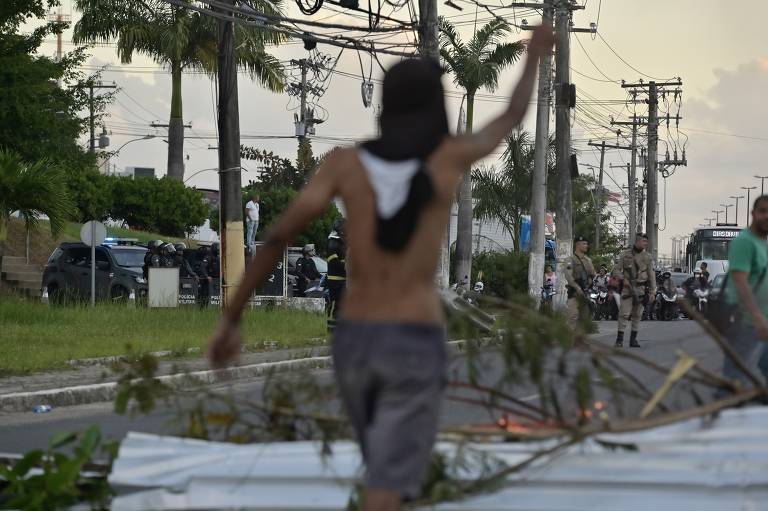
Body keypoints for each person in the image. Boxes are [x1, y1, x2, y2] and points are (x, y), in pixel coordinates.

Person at [207, 25, 553, 511]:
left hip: (355, 340)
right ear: (437, 105)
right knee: (389, 482)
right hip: (412, 337)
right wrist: (535, 55)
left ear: (386, 104)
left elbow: (280, 235)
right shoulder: (449, 157)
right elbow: (511, 119)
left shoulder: (344, 164)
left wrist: (231, 319)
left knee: (385, 471)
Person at [717, 196, 768, 392]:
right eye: (762, 211)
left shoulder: (763, 243)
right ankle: (723, 411)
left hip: (761, 321)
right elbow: (740, 281)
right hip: (746, 320)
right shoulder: (745, 242)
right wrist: (756, 316)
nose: (766, 216)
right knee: (735, 377)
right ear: (753, 214)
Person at [613, 233, 656, 348]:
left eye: (646, 242)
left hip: (641, 289)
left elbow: (651, 275)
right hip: (627, 289)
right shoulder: (625, 255)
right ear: (637, 241)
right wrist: (623, 279)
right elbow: (616, 271)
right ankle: (619, 339)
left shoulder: (647, 257)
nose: (645, 244)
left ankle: (633, 340)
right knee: (624, 314)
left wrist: (653, 291)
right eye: (643, 241)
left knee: (637, 315)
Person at [564, 236, 596, 333]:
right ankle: (568, 341)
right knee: (572, 317)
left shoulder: (588, 260)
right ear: (577, 245)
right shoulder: (570, 260)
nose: (586, 246)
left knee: (584, 319)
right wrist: (577, 288)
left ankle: (580, 343)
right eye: (584, 244)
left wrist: (590, 280)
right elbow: (569, 277)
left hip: (585, 294)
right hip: (574, 294)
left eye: (586, 244)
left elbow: (593, 274)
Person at [326, 219, 347, 330]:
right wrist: (346, 268)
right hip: (335, 279)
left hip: (343, 278)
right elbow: (333, 260)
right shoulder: (333, 241)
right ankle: (331, 328)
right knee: (335, 303)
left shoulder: (341, 242)